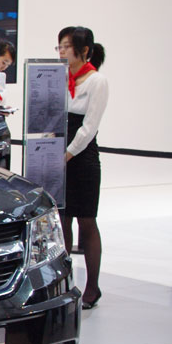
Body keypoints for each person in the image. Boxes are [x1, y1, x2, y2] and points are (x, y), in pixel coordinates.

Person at [57, 25, 107, 310]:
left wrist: (68, 154)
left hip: (83, 158)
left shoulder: (97, 81)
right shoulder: (61, 78)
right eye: (60, 46)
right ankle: (65, 282)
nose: (62, 51)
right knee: (62, 220)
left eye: (67, 46)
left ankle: (92, 286)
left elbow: (89, 128)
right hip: (59, 156)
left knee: (86, 221)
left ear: (84, 50)